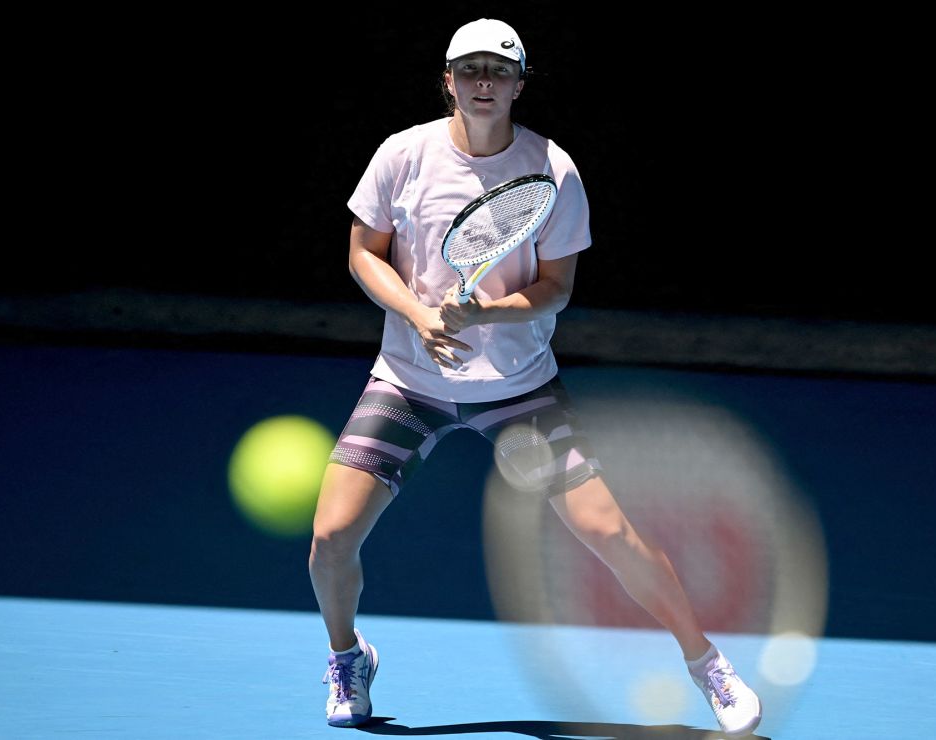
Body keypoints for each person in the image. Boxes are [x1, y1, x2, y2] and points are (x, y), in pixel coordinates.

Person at [309, 18, 763, 737]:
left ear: (519, 85)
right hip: (407, 383)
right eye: (469, 71)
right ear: (448, 81)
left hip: (518, 390)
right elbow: (364, 253)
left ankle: (704, 661)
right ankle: (347, 655)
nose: (482, 83)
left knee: (609, 532)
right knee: (330, 537)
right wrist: (417, 313)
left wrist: (485, 314)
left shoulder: (554, 169)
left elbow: (556, 287)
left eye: (497, 71)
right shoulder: (402, 156)